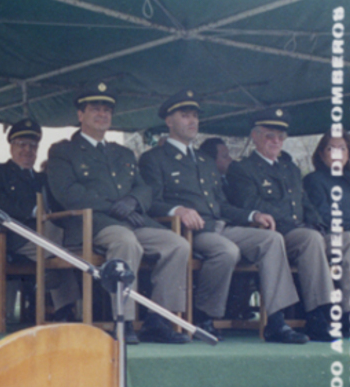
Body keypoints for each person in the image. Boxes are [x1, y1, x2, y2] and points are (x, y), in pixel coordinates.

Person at [139, 90, 307, 344]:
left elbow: (223, 205)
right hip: (187, 230)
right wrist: (178, 210)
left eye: (195, 116)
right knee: (226, 250)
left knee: (271, 239)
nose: (192, 121)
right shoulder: (154, 158)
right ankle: (205, 316)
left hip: (219, 224)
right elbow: (150, 201)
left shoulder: (206, 161)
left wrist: (253, 214)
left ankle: (275, 320)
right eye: (185, 116)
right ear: (169, 121)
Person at [46, 81, 191, 344]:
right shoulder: (63, 151)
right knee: (126, 242)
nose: (102, 115)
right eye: (95, 109)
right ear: (80, 115)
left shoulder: (122, 152)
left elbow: (144, 188)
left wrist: (133, 201)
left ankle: (158, 320)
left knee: (177, 244)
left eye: (107, 110)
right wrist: (116, 207)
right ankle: (123, 322)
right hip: (93, 224)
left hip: (131, 220)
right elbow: (68, 193)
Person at [226, 108, 335, 341]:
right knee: (302, 237)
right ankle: (278, 321)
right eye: (269, 136)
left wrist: (316, 222)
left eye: (281, 137)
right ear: (255, 137)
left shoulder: (290, 169)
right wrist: (296, 223)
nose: (276, 141)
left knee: (313, 237)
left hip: (295, 232)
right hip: (267, 232)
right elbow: (250, 203)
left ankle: (317, 316)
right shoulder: (242, 169)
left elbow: (304, 202)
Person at [0, 118, 80, 322]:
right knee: (62, 248)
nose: (28, 150)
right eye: (22, 145)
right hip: (10, 236)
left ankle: (66, 309)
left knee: (65, 245)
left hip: (43, 237)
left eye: (33, 146)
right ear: (11, 147)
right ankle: (63, 306)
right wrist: (33, 211)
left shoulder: (43, 178)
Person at [303, 129, 350, 337]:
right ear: (321, 154)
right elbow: (323, 215)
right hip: (328, 237)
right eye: (331, 148)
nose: (338, 153)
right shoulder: (315, 180)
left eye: (343, 148)